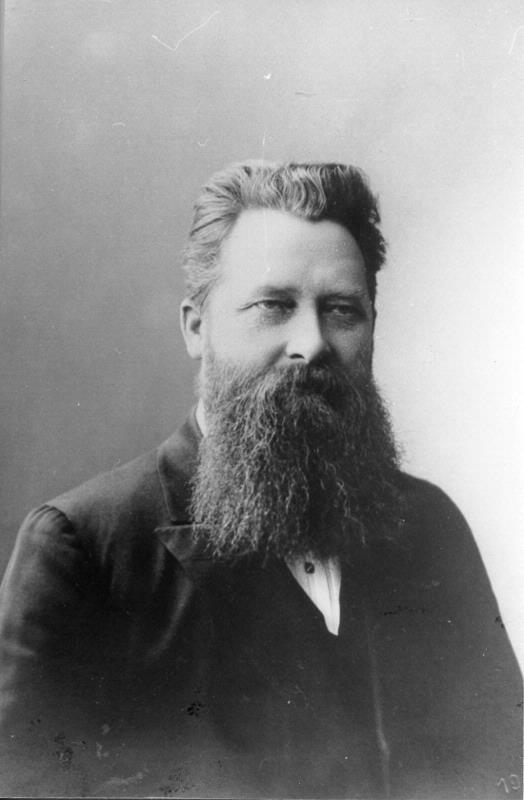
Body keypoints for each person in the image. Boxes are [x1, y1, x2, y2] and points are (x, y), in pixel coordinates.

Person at [0, 162, 521, 799]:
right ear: (197, 328)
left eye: (342, 311)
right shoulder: (85, 549)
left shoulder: (430, 525)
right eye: (274, 306)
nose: (312, 343)